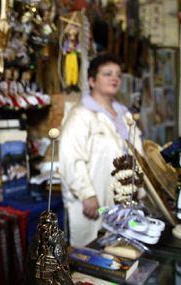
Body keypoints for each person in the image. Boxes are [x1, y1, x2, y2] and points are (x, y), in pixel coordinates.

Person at [59, 54, 143, 247]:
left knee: (120, 253)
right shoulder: (81, 115)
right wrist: (87, 195)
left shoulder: (124, 114)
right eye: (107, 74)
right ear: (92, 80)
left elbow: (138, 154)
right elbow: (70, 158)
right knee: (93, 255)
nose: (115, 79)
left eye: (118, 75)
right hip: (94, 201)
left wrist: (139, 187)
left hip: (123, 197)